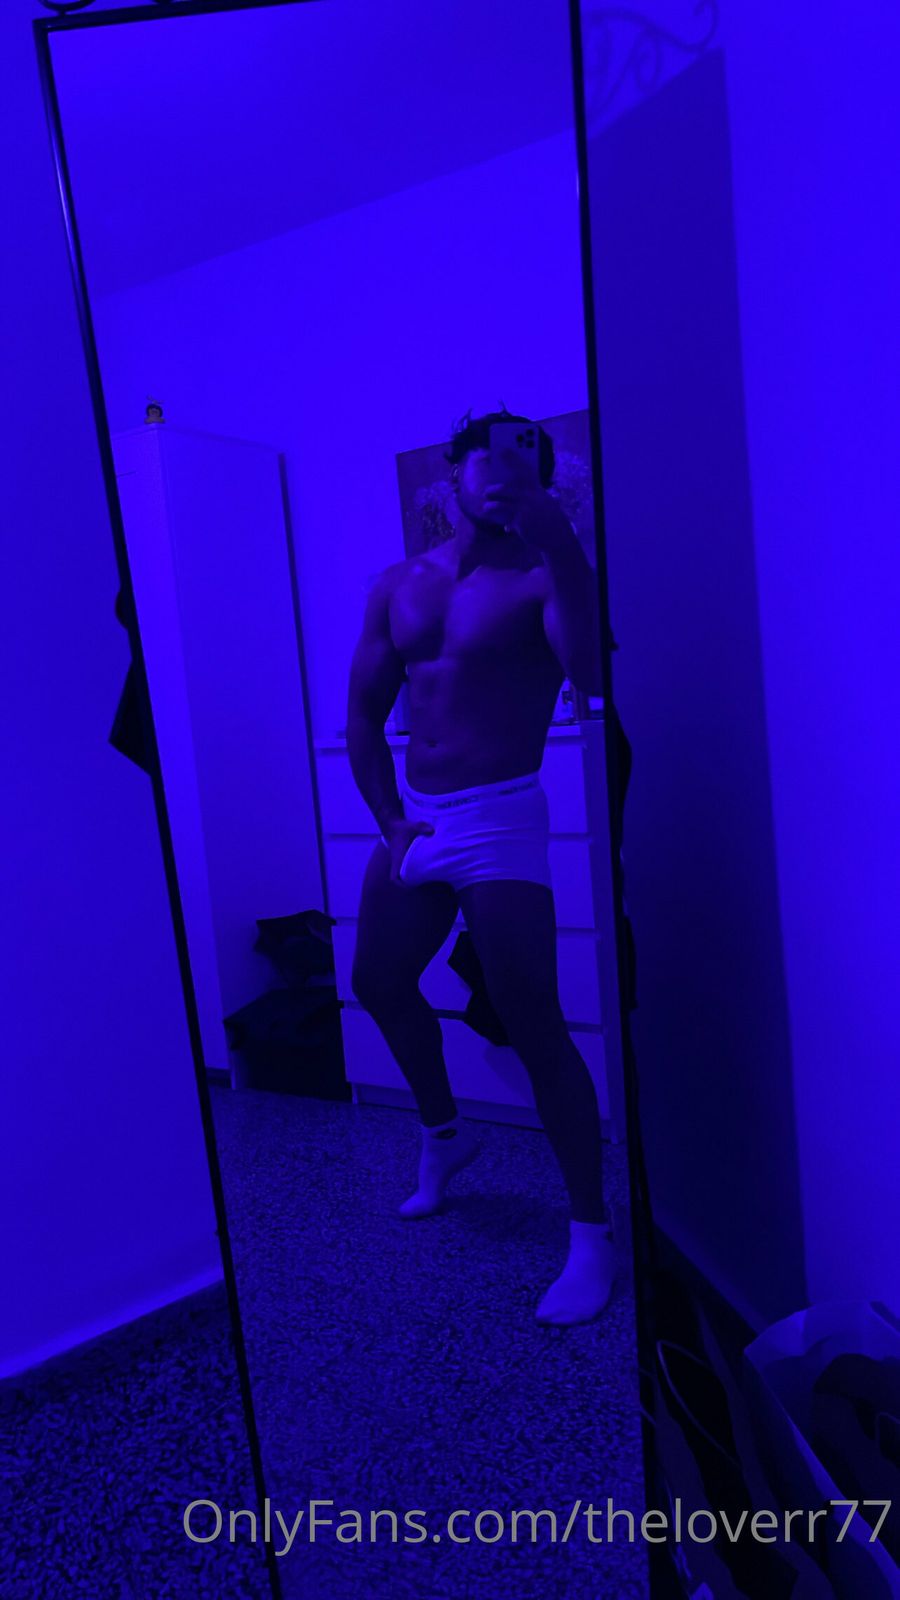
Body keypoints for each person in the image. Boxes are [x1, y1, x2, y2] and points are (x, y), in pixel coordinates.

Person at [346, 406, 614, 1325]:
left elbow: (592, 677)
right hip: (419, 820)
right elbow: (362, 716)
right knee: (378, 982)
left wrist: (565, 543)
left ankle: (591, 1235)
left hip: (500, 817)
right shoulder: (399, 585)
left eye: (527, 461)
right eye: (491, 459)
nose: (507, 474)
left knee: (533, 1019)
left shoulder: (546, 575)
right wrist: (389, 819)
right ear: (452, 474)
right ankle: (444, 1135)